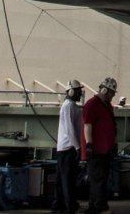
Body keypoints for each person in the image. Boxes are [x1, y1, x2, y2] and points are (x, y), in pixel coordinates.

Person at [82, 78, 119, 214]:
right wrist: (89, 144)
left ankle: (93, 207)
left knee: (99, 180)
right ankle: (100, 207)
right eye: (112, 93)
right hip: (96, 151)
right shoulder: (92, 104)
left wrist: (113, 144)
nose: (113, 96)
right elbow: (88, 124)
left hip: (105, 151)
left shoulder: (106, 106)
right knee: (98, 180)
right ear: (104, 90)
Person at [54, 79, 84, 214]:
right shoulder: (68, 106)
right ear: (71, 91)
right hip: (68, 148)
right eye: (78, 91)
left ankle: (60, 205)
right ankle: (70, 207)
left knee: (62, 179)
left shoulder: (71, 106)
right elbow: (70, 129)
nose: (80, 94)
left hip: (65, 148)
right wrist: (77, 147)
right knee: (68, 180)